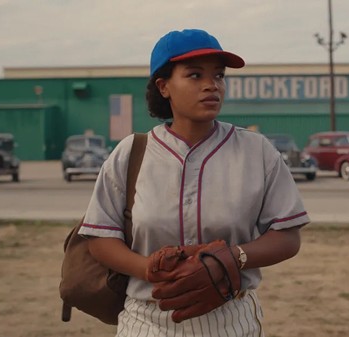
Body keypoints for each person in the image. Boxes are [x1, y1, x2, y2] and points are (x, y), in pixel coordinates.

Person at [78, 28, 310, 336]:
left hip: (230, 317)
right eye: (195, 75)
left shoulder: (256, 151)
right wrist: (149, 269)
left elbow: (288, 237)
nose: (211, 85)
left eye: (219, 75)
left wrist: (234, 256)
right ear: (163, 86)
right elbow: (100, 239)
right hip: (147, 318)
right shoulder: (132, 153)